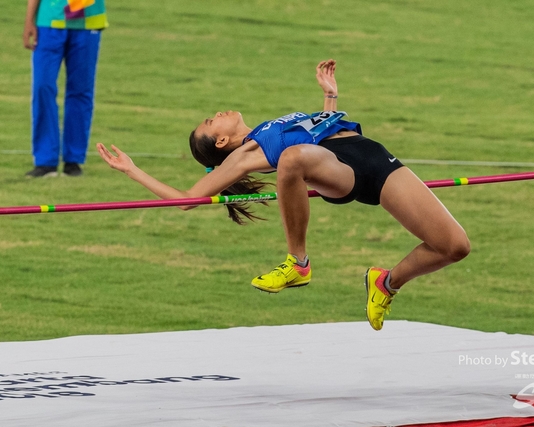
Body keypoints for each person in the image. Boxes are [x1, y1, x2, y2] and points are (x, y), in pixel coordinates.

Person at [97, 59, 471, 331]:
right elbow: (188, 199)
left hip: (367, 152)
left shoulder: (265, 129)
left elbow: (322, 133)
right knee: (292, 159)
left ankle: (385, 282)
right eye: (212, 122)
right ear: (221, 141)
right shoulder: (244, 155)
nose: (217, 113)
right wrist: (132, 170)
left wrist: (330, 96)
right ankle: (298, 262)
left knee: (454, 246)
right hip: (338, 170)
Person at [23, 0, 108, 177]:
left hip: (88, 22)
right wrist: (29, 20)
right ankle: (46, 161)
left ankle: (73, 160)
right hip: (49, 21)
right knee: (42, 87)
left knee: (81, 91)